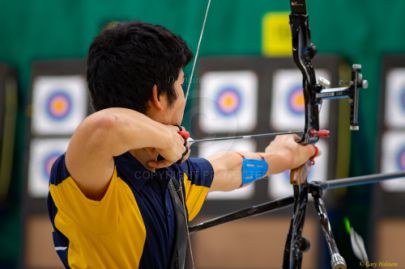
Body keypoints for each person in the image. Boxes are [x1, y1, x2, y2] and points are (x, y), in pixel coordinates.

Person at [47, 21, 316, 269]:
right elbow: (104, 127)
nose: (185, 95)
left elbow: (230, 169)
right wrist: (167, 139)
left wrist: (282, 157)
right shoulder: (93, 178)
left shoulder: (171, 174)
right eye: (181, 84)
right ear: (158, 96)